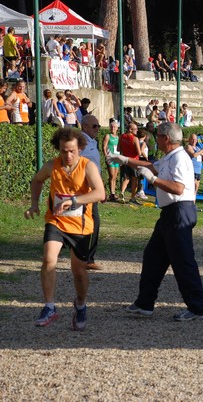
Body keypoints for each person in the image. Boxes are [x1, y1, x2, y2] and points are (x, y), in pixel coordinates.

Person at [108, 123, 203, 321]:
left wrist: (153, 180)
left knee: (183, 262)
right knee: (153, 256)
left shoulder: (180, 158)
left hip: (180, 211)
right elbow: (151, 166)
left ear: (166, 139)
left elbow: (178, 188)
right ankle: (145, 303)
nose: (156, 139)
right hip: (171, 213)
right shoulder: (171, 156)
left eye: (159, 136)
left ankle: (197, 308)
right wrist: (126, 160)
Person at [24, 128, 105, 330]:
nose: (68, 155)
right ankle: (49, 307)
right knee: (49, 260)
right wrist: (34, 203)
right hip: (56, 221)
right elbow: (37, 180)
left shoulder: (88, 167)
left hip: (81, 226)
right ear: (58, 150)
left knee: (79, 272)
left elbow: (100, 193)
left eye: (71, 151)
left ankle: (80, 305)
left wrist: (75, 200)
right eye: (63, 151)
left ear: (80, 149)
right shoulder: (52, 166)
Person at [79, 115, 103, 270]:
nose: (98, 129)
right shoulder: (81, 141)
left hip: (92, 189)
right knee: (90, 221)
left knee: (89, 221)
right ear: (85, 126)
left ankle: (86, 257)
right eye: (95, 126)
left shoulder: (92, 141)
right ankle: (86, 258)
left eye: (98, 126)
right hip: (83, 189)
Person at [117, 122, 142, 204]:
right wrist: (143, 147)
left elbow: (118, 149)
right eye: (135, 129)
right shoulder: (135, 139)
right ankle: (133, 198)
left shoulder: (121, 136)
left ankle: (122, 192)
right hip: (134, 161)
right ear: (130, 130)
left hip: (125, 160)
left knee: (126, 178)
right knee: (135, 180)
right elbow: (139, 153)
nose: (137, 130)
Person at [103, 120, 120, 202]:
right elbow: (104, 147)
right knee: (112, 175)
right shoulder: (108, 136)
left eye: (114, 127)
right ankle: (111, 193)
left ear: (117, 128)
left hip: (117, 158)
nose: (113, 128)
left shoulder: (117, 137)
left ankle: (113, 193)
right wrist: (106, 156)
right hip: (110, 158)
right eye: (112, 127)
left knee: (115, 176)